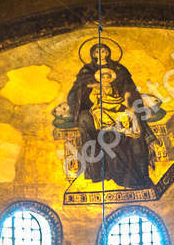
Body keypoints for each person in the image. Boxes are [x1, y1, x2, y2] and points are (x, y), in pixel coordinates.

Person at [65, 40, 154, 188]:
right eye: (97, 51)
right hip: (99, 110)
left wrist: (129, 103)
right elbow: (76, 94)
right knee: (87, 120)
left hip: (118, 107)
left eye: (104, 50)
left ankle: (140, 174)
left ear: (108, 52)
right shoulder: (86, 71)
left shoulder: (119, 69)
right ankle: (99, 170)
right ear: (93, 54)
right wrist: (89, 88)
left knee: (134, 129)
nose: (101, 53)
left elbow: (129, 89)